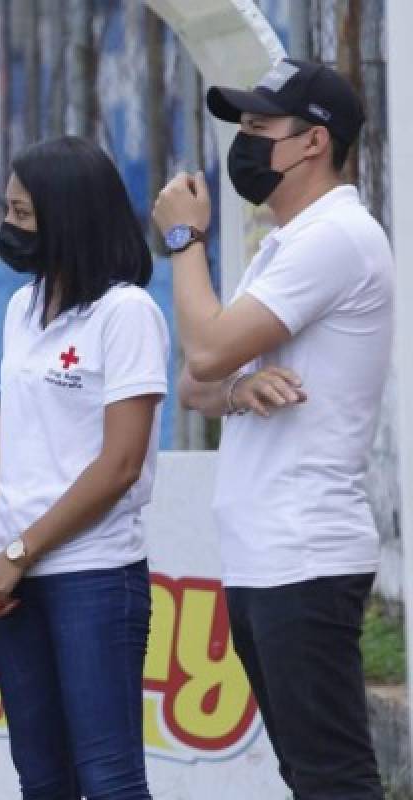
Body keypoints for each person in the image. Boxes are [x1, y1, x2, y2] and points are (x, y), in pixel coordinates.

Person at [152, 58, 389, 798]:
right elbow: (197, 382)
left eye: (261, 127)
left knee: (331, 778)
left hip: (305, 549)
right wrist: (241, 385)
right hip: (266, 553)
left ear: (314, 142)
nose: (245, 143)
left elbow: (207, 345)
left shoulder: (336, 236)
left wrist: (186, 239)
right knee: (307, 774)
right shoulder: (286, 243)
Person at [0, 137, 168, 800]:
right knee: (42, 778)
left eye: (22, 215)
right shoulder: (23, 306)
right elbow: (5, 437)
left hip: (94, 576)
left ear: (67, 218)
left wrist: (18, 551)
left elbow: (121, 464)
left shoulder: (126, 313)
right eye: (9, 212)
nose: (9, 229)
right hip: (12, 580)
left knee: (108, 779)